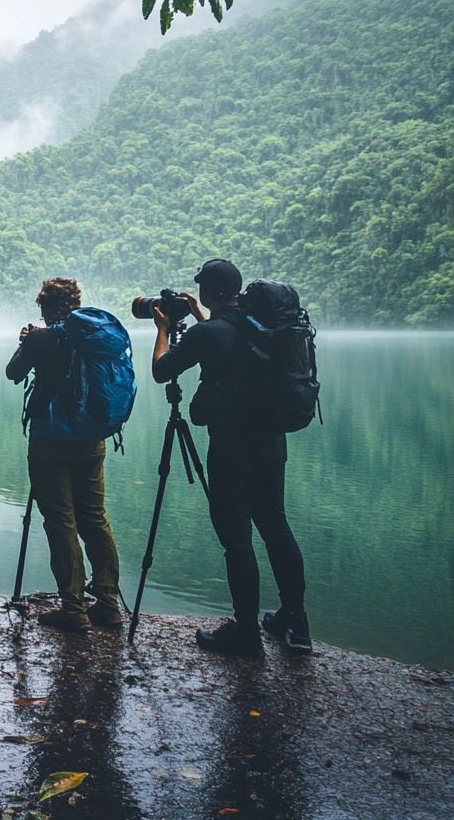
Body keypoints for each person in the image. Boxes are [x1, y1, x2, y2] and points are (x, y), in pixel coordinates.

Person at [150, 258, 311, 658]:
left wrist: (164, 330)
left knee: (237, 540)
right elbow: (232, 340)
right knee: (275, 524)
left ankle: (246, 634)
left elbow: (161, 370)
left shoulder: (208, 333)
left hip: (231, 447)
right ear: (236, 292)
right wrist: (200, 316)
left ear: (205, 292)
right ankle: (296, 621)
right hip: (272, 441)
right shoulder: (262, 327)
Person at [5, 277, 122, 633]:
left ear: (45, 308)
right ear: (75, 304)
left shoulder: (43, 337)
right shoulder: (95, 337)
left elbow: (13, 373)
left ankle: (73, 609)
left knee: (61, 522)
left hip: (51, 441)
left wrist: (26, 342)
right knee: (95, 518)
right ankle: (108, 604)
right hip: (92, 439)